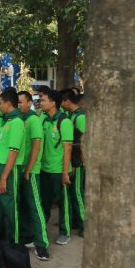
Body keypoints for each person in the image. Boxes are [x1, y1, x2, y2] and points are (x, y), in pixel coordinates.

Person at [0, 88, 25, 245]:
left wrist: (4, 177)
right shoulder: (7, 121)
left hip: (8, 171)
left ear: (8, 103)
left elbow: (13, 152)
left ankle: (14, 243)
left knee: (9, 207)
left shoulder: (16, 123)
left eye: (0, 103)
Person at [17, 90, 50, 261]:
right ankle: (26, 236)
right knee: (22, 206)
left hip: (32, 170)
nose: (19, 105)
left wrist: (29, 169)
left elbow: (36, 147)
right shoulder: (20, 120)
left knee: (35, 207)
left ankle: (42, 244)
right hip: (21, 169)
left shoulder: (33, 120)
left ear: (29, 103)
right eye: (17, 102)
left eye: (21, 102)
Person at [39, 89, 74, 245]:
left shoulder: (64, 122)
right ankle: (41, 229)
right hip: (44, 169)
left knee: (63, 203)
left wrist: (65, 172)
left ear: (53, 103)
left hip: (59, 170)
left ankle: (64, 231)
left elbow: (68, 149)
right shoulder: (43, 119)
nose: (41, 102)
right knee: (44, 202)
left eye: (44, 100)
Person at [62, 91, 86, 234]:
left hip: (77, 161)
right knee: (72, 192)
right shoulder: (72, 115)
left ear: (67, 101)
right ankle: (76, 221)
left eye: (62, 101)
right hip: (72, 159)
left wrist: (82, 159)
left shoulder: (81, 116)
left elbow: (85, 140)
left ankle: (84, 224)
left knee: (77, 192)